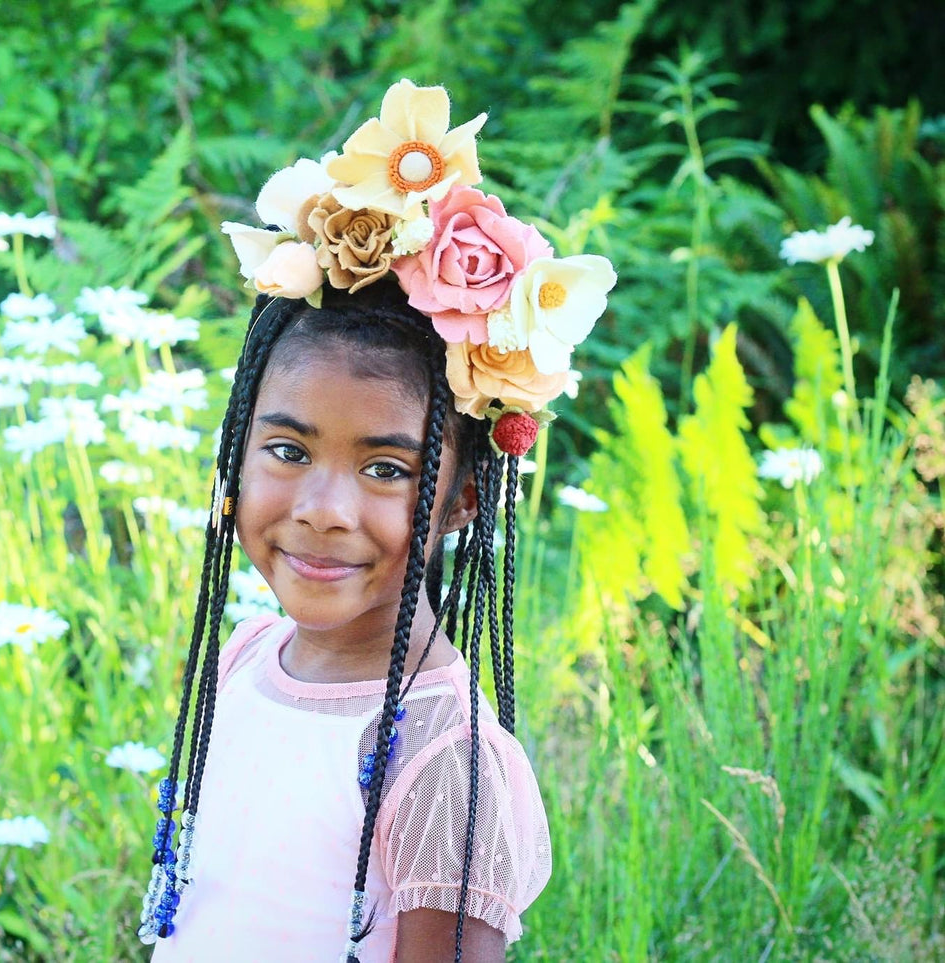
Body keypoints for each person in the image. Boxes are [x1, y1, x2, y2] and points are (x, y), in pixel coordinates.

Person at [137, 78, 617, 963]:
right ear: (236, 446)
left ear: (464, 497)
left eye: (386, 468)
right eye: (286, 451)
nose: (322, 511)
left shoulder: (447, 763)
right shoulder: (244, 654)